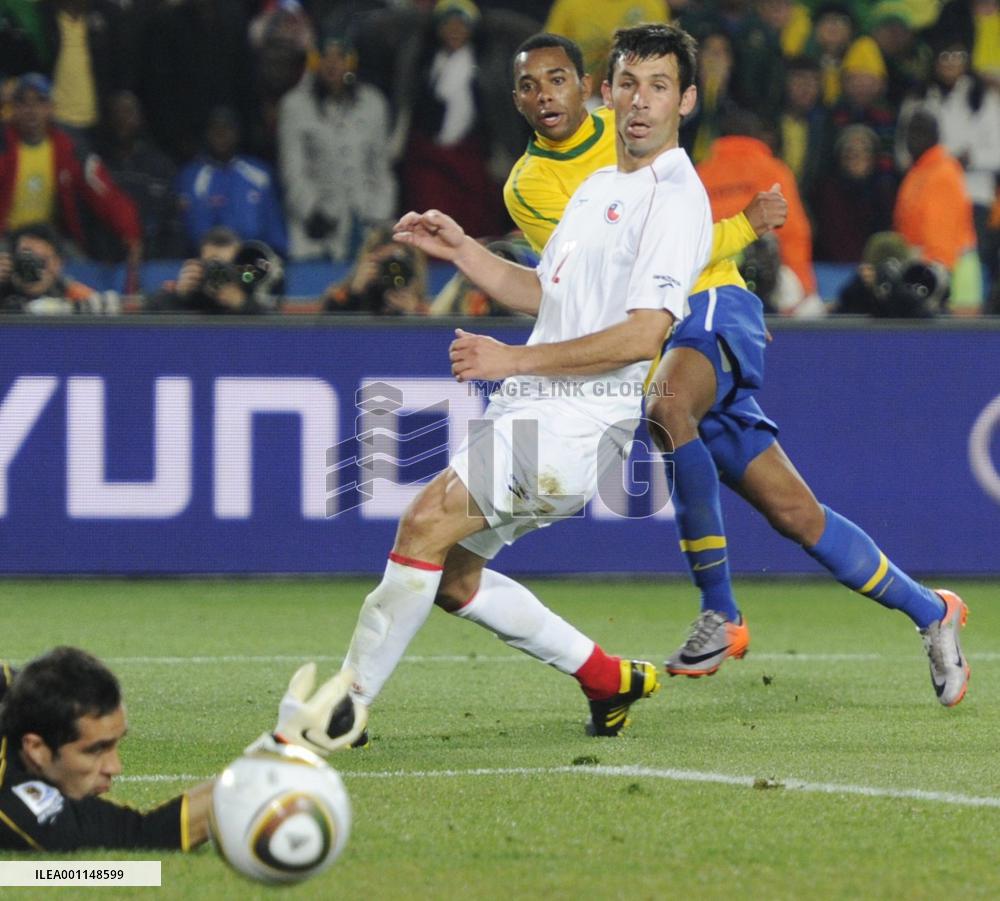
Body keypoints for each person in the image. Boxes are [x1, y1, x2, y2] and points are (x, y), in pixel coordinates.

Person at [335, 23, 714, 743]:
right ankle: (606, 676)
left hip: (573, 424)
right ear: (607, 93)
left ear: (685, 101)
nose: (640, 102)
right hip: (535, 412)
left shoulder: (676, 200)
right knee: (450, 578)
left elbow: (642, 335)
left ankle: (342, 709)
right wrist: (463, 251)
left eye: (659, 87)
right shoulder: (602, 183)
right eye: (628, 83)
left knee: (423, 522)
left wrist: (511, 360)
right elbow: (551, 295)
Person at [0, 646, 364, 851]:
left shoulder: (14, 688)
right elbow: (147, 838)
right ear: (36, 749)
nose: (115, 767)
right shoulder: (20, 814)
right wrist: (281, 751)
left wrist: (282, 745)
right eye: (95, 750)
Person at [503, 32, 786, 262]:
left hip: (708, 293)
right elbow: (619, 262)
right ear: (517, 101)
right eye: (529, 87)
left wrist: (730, 300)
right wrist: (743, 227)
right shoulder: (527, 185)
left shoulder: (629, 122)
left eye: (557, 80)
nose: (544, 96)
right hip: (638, 315)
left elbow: (684, 225)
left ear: (585, 87)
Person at [0, 73, 141, 270]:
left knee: (83, 270)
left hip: (50, 239)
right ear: (13, 109)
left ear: (51, 108)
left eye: (40, 102)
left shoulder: (69, 147)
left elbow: (103, 190)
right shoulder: (3, 145)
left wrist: (130, 232)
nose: (31, 110)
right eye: (23, 103)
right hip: (6, 239)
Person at [278, 35, 397, 262]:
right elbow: (292, 169)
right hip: (317, 224)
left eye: (340, 57)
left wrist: (380, 214)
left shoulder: (373, 103)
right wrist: (311, 211)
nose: (332, 64)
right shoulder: (294, 105)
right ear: (314, 62)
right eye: (325, 57)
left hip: (366, 220)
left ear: (351, 62)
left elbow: (381, 166)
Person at [893, 107, 981, 311]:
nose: (914, 138)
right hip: (927, 271)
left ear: (936, 136)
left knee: (959, 343)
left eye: (922, 131)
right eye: (910, 132)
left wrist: (931, 282)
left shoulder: (943, 173)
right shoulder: (917, 172)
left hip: (951, 277)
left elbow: (941, 237)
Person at [175, 106, 288, 258]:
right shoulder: (192, 176)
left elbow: (274, 227)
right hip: (211, 263)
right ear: (207, 133)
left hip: (253, 262)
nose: (221, 134)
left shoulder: (259, 173)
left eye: (227, 128)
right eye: (216, 129)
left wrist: (279, 256)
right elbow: (194, 230)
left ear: (237, 133)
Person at [145, 227, 281, 315]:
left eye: (229, 264)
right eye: (213, 263)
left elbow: (276, 329)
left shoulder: (247, 294)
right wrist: (180, 297)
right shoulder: (188, 291)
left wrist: (242, 304)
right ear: (199, 262)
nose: (220, 272)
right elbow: (147, 322)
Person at [0, 223, 117, 315]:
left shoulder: (72, 293)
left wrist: (59, 308)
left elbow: (109, 311)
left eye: (41, 260)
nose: (32, 265)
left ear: (57, 264)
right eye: (25, 257)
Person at [323, 224, 429, 315]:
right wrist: (354, 295)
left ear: (411, 269)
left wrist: (412, 317)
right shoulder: (340, 297)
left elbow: (431, 336)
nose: (389, 272)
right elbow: (328, 333)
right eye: (381, 263)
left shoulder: (423, 311)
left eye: (395, 265)